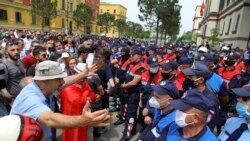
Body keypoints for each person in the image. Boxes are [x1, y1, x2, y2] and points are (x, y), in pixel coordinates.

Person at [10, 60, 110, 141]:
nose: (62, 81)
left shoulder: (41, 86)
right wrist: (83, 121)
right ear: (45, 81)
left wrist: (82, 74)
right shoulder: (30, 99)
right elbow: (50, 119)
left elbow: (64, 82)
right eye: (59, 79)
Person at [60, 63, 97, 141]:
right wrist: (86, 94)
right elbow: (78, 102)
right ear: (77, 74)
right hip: (74, 119)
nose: (85, 79)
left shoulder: (83, 83)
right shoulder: (67, 87)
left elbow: (93, 96)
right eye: (84, 76)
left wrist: (86, 96)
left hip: (86, 117)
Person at [120, 48, 146, 141]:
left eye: (133, 55)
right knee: (130, 113)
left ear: (138, 56)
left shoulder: (141, 67)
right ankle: (133, 130)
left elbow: (134, 82)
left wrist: (123, 86)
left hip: (134, 94)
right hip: (129, 93)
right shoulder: (133, 65)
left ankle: (126, 136)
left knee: (130, 114)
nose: (131, 57)